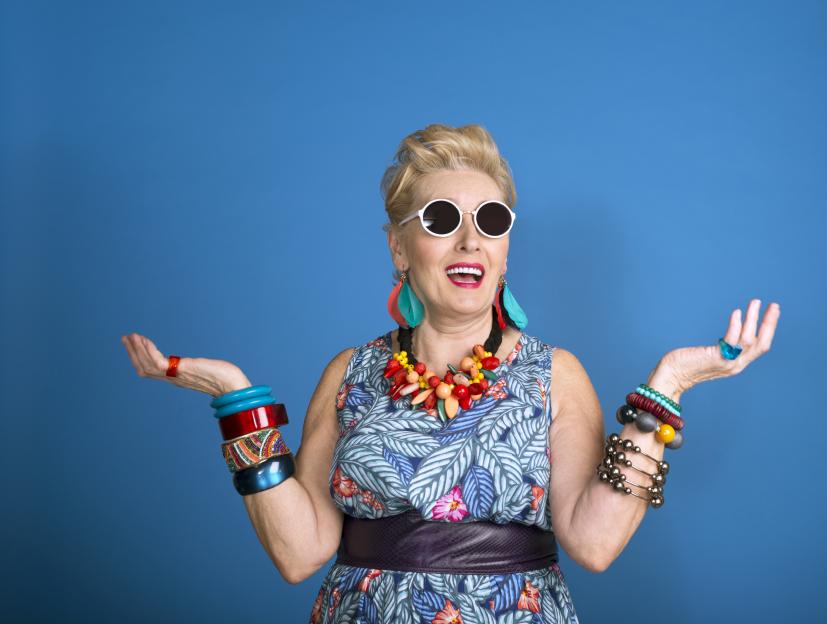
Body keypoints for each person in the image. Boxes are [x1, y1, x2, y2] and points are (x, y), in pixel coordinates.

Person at [121, 123, 781, 623]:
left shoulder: (555, 373)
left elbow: (595, 543)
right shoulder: (351, 373)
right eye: (441, 220)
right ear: (398, 246)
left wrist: (668, 385)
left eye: (490, 222)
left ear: (504, 247)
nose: (470, 241)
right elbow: (298, 554)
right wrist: (239, 400)